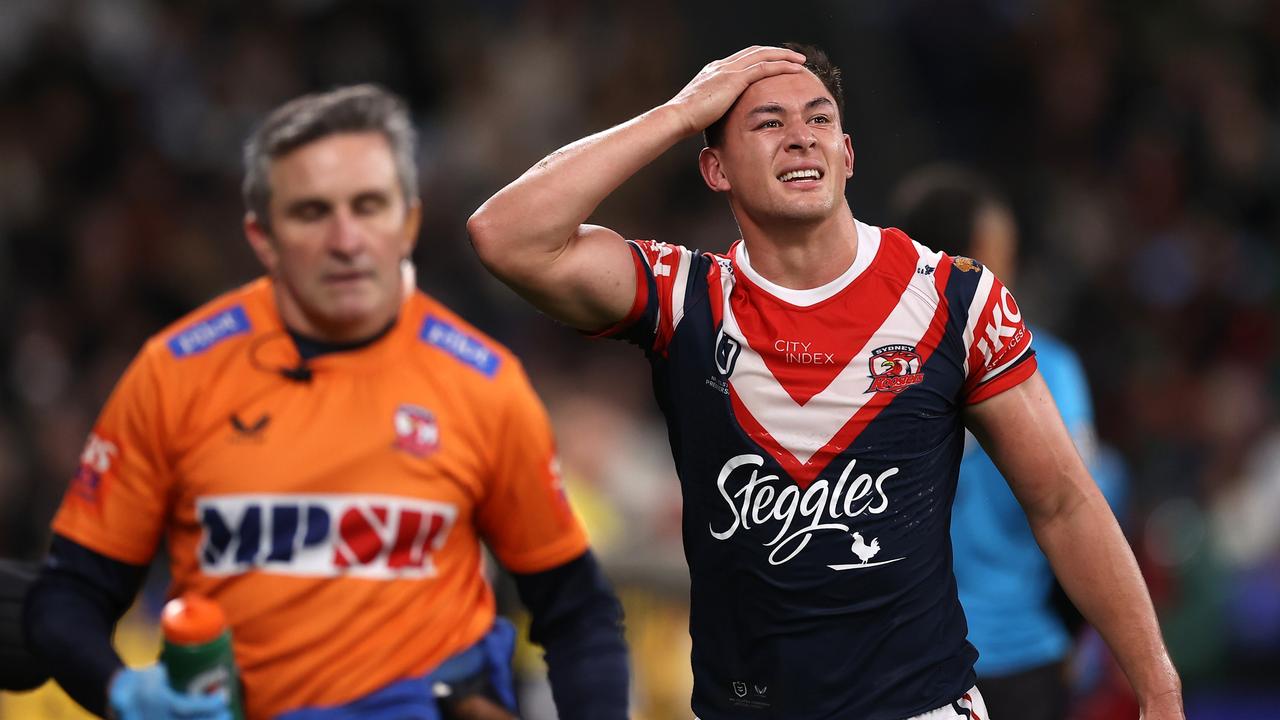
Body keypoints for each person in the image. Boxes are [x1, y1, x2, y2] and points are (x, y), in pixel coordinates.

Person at [467, 44, 1182, 719]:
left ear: (847, 154)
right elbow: (506, 235)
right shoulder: (683, 297)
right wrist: (681, 111)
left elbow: (1062, 501)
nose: (801, 137)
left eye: (819, 120)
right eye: (768, 123)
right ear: (715, 169)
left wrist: (1156, 683)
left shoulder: (955, 300)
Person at [24, 85, 629, 720]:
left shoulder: (483, 382)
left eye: (369, 207)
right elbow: (68, 595)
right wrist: (122, 694)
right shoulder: (174, 372)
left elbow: (578, 610)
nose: (346, 239)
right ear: (262, 236)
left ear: (410, 222)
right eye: (312, 213)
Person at [890, 165, 1126, 720]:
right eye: (1002, 254)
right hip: (1020, 658)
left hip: (900, 660)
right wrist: (1077, 632)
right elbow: (1088, 509)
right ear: (969, 260)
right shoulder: (1049, 369)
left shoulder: (863, 369)